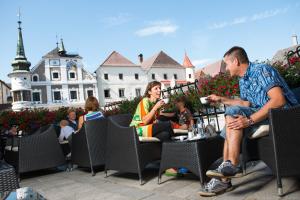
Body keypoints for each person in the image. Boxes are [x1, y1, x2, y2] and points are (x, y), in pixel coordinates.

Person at [199, 46, 298, 197]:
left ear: (236, 61)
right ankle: (228, 170)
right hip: (264, 115)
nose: (226, 68)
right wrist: (222, 100)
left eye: (227, 64)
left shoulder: (261, 70)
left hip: (284, 116)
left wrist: (250, 120)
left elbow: (278, 100)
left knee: (233, 115)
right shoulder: (242, 80)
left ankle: (228, 171)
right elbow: (246, 105)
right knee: (232, 116)